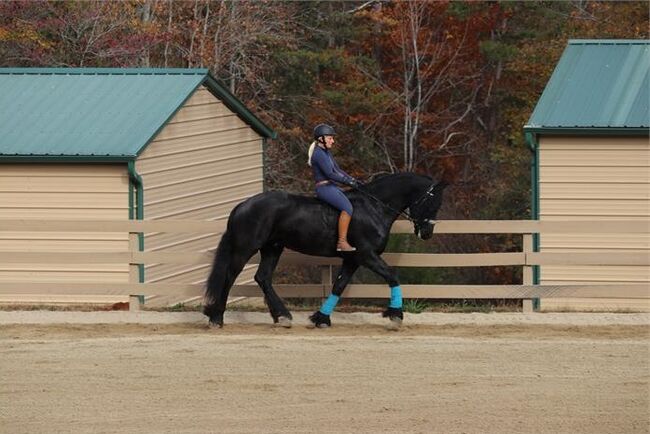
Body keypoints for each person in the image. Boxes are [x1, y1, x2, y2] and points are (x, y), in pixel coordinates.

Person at [307, 123, 361, 252]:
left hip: (332, 186)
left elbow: (338, 169)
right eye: (330, 138)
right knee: (347, 208)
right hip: (324, 188)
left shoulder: (326, 152)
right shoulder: (318, 154)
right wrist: (347, 182)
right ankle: (341, 242)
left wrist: (352, 180)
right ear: (321, 139)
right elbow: (330, 174)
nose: (333, 141)